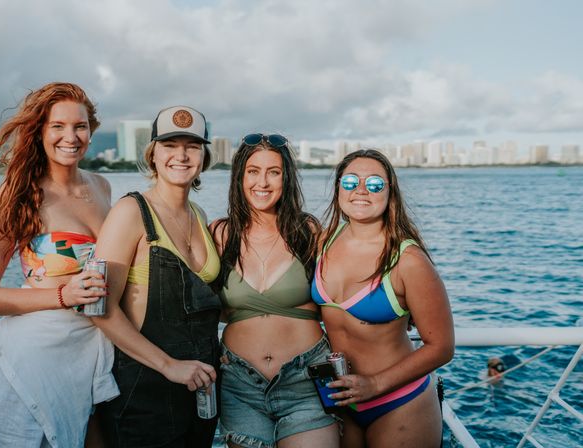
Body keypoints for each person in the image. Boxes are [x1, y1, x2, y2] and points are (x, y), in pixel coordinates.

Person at [0, 82, 118, 447]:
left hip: (92, 350)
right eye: (57, 126)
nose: (70, 136)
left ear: (91, 130)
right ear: (40, 132)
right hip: (36, 355)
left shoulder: (102, 187)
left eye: (80, 126)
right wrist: (65, 294)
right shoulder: (17, 193)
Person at [92, 106, 221, 447]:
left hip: (200, 385)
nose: (181, 155)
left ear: (204, 156)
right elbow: (99, 309)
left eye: (192, 146)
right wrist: (168, 366)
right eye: (169, 145)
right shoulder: (130, 212)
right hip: (145, 389)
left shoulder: (199, 214)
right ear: (153, 154)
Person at [312, 149, 454, 447]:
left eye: (375, 184)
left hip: (400, 401)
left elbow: (441, 347)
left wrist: (374, 384)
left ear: (390, 193)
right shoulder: (323, 241)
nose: (361, 190)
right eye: (350, 181)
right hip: (342, 402)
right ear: (338, 188)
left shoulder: (408, 260)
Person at [211, 133, 339, 448]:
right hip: (240, 385)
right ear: (239, 177)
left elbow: (341, 295)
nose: (263, 182)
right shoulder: (220, 234)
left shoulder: (308, 232)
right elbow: (202, 304)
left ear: (287, 179)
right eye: (253, 171)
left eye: (274, 172)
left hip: (306, 382)